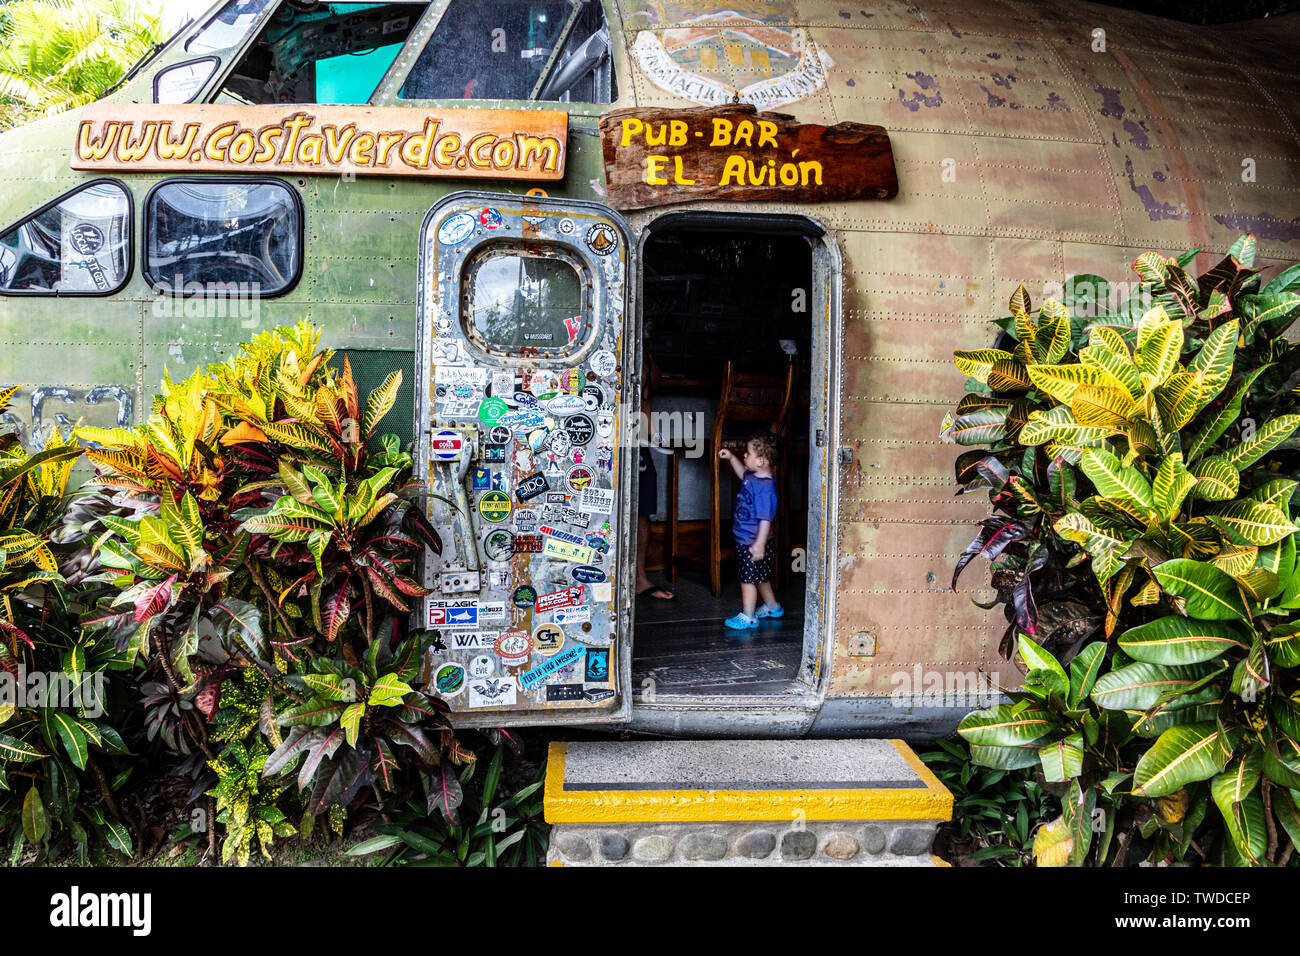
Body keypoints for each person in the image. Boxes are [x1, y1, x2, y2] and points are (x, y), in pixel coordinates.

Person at [719, 432, 782, 630]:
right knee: (761, 577)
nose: (744, 455)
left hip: (752, 542)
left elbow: (765, 519)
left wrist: (759, 544)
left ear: (761, 461)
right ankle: (772, 607)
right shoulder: (753, 476)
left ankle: (748, 616)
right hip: (749, 540)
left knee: (747, 580)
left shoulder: (765, 489)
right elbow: (742, 473)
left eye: (748, 453)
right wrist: (732, 458)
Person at [636, 349, 673, 600]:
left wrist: (657, 438)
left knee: (643, 508)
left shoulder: (646, 360)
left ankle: (639, 579)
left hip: (635, 440)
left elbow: (646, 402)